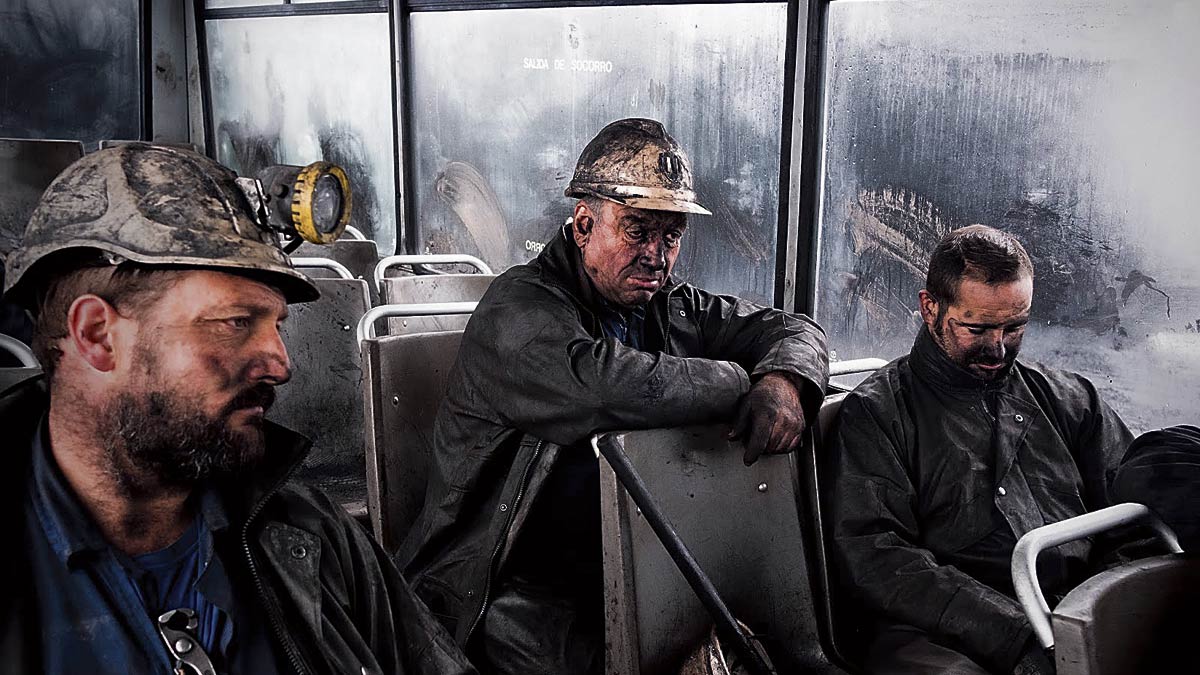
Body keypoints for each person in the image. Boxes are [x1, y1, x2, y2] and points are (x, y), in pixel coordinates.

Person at [0, 143, 474, 675]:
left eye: (277, 326)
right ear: (97, 335)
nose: (280, 364)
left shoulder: (308, 536)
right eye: (234, 323)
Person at [396, 118, 830, 674]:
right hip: (502, 577)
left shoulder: (666, 304)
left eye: (671, 236)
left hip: (626, 558)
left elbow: (794, 329)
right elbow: (605, 385)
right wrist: (740, 382)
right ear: (582, 225)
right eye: (636, 231)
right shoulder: (518, 310)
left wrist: (785, 381)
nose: (656, 254)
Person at [827, 225, 1133, 675]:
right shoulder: (878, 415)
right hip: (941, 631)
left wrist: (1105, 606)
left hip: (1075, 608)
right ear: (929, 307)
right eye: (977, 328)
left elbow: (1134, 512)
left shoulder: (1072, 401)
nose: (997, 348)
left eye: (1015, 327)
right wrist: (1018, 636)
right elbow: (878, 557)